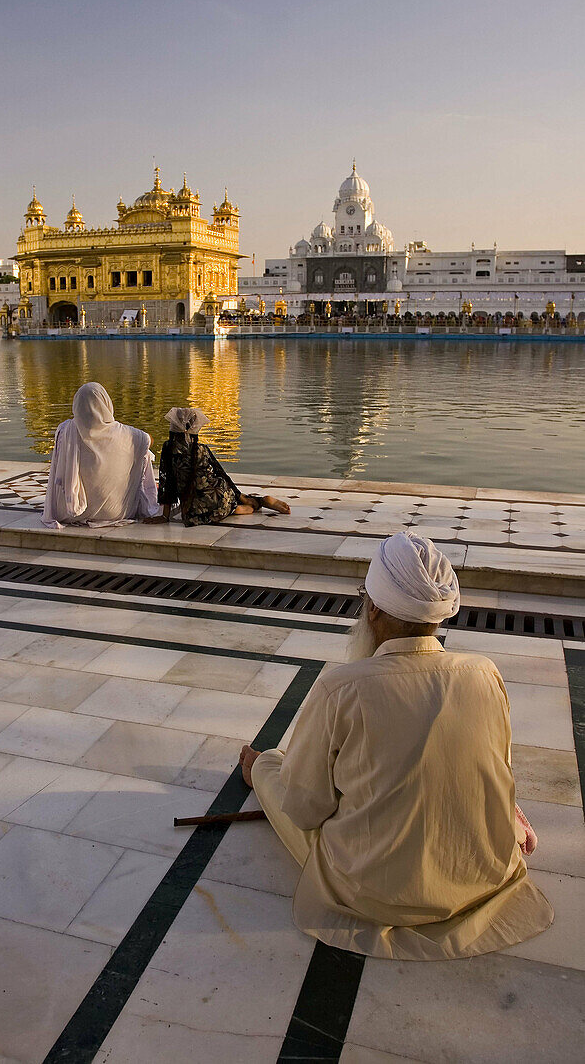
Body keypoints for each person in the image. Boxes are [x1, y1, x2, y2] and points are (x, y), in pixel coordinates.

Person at [239, 531, 553, 960]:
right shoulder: (484, 673)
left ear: (372, 609)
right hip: (482, 875)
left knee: (276, 768)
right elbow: (497, 770)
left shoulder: (340, 689)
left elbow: (305, 809)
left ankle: (256, 767)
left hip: (374, 893)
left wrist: (268, 772)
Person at [43, 382, 160, 528]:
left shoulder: (65, 430)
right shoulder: (126, 434)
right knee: (143, 452)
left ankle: (75, 500)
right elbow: (148, 440)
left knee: (140, 450)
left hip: (67, 512)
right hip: (115, 512)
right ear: (106, 403)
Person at [150, 407, 291, 527]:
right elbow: (221, 474)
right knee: (232, 505)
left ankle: (253, 503)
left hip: (195, 507)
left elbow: (166, 482)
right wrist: (240, 495)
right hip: (219, 496)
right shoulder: (200, 449)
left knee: (227, 510)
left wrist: (165, 516)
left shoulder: (168, 448)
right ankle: (258, 501)